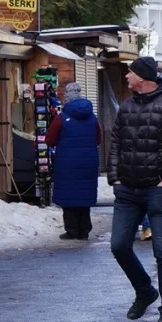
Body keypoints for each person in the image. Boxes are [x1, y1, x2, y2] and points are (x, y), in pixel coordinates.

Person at [108, 57, 162, 322]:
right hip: (128, 190)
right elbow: (116, 143)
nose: (126, 77)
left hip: (158, 191)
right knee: (119, 245)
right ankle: (145, 291)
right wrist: (116, 178)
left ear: (142, 78)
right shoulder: (126, 107)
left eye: (129, 73)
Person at [47, 83, 102, 240]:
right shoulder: (92, 117)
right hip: (88, 163)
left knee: (69, 195)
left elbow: (50, 140)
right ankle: (84, 230)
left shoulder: (61, 118)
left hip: (67, 163)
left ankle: (72, 230)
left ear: (66, 98)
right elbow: (98, 139)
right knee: (84, 194)